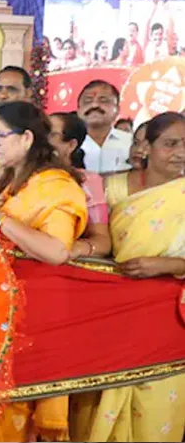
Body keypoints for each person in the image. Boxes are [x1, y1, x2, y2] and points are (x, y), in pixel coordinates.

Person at [0, 101, 87, 441]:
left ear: (27, 137)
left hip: (37, 316)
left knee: (19, 413)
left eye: (0, 137)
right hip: (3, 313)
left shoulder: (56, 185)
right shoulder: (14, 181)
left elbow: (56, 251)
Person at [72, 112, 185, 442]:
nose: (180, 152)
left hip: (166, 321)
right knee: (97, 403)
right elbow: (89, 239)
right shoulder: (112, 186)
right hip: (108, 315)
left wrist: (170, 266)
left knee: (156, 407)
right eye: (170, 144)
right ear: (145, 147)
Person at [48, 112, 112, 258]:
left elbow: (102, 241)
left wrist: (74, 248)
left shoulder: (87, 182)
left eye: (51, 135)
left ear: (71, 145)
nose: (41, 141)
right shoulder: (21, 175)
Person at [77, 80, 132, 174]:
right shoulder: (68, 145)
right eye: (87, 101)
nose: (94, 105)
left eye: (103, 101)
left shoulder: (132, 144)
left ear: (117, 109)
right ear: (78, 110)